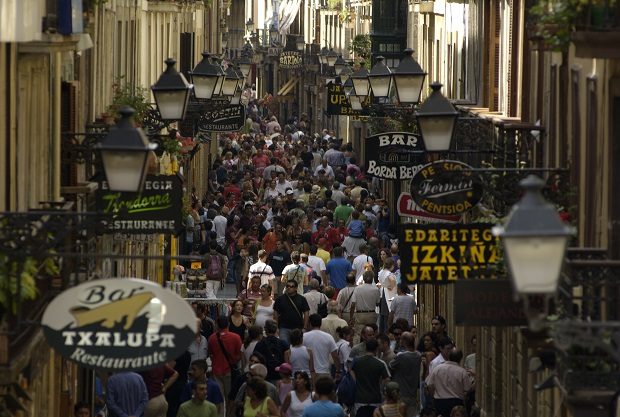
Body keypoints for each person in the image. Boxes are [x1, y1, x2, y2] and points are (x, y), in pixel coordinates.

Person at [426, 350, 473, 417]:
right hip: (456, 402)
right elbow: (467, 389)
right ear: (460, 359)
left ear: (449, 356)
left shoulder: (437, 369)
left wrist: (433, 397)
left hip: (440, 402)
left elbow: (429, 385)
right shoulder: (462, 371)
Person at [350, 339, 390, 417]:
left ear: (366, 348)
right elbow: (387, 379)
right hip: (375, 399)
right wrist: (381, 387)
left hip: (359, 399)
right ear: (376, 349)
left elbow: (350, 370)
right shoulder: (381, 363)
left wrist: (356, 381)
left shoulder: (357, 361)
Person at [208, 316, 243, 401]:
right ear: (228, 324)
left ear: (217, 325)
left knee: (218, 399)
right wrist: (233, 362)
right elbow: (239, 354)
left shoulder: (212, 338)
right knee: (230, 397)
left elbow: (210, 354)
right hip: (230, 371)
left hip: (216, 370)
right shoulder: (236, 337)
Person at [389, 332, 422, 417]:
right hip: (413, 393)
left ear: (404, 342)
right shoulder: (418, 355)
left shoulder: (401, 356)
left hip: (401, 393)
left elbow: (391, 365)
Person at [302, 314, 341, 380]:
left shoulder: (303, 337)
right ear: (320, 323)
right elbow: (335, 356)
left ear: (310, 323)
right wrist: (338, 370)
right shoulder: (328, 337)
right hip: (324, 372)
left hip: (308, 373)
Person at [273, 279, 310, 344]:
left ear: (296, 288)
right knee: (284, 347)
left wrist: (304, 327)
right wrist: (276, 327)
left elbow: (306, 313)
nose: (289, 288)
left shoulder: (301, 299)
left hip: (297, 328)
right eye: (287, 286)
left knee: (296, 347)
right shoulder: (280, 299)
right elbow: (275, 313)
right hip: (283, 328)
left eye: (291, 286)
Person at [350, 271, 380, 343]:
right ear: (372, 278)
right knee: (371, 333)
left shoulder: (357, 289)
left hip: (360, 314)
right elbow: (377, 304)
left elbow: (353, 304)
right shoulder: (376, 289)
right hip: (371, 314)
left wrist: (351, 317)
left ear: (363, 278)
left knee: (358, 333)